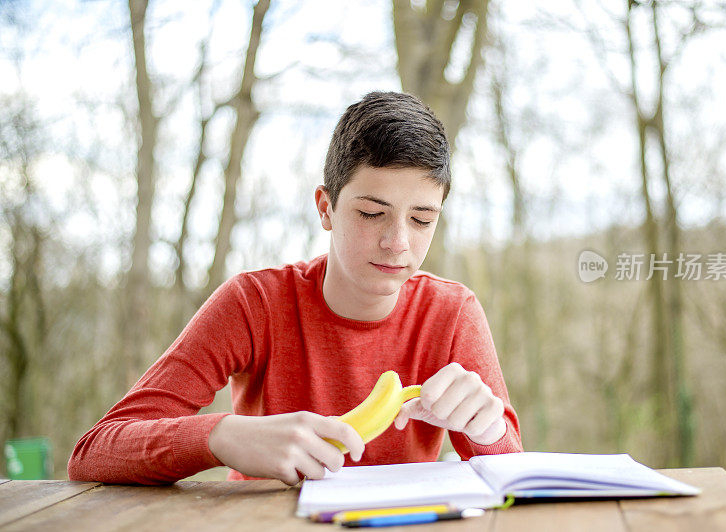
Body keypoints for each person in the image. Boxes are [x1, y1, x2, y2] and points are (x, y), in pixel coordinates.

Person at [68, 91, 523, 486]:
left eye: (422, 219)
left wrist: (488, 433)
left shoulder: (452, 311)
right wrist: (222, 437)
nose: (398, 243)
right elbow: (95, 452)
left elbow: (511, 471)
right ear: (326, 208)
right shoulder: (253, 304)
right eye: (371, 213)